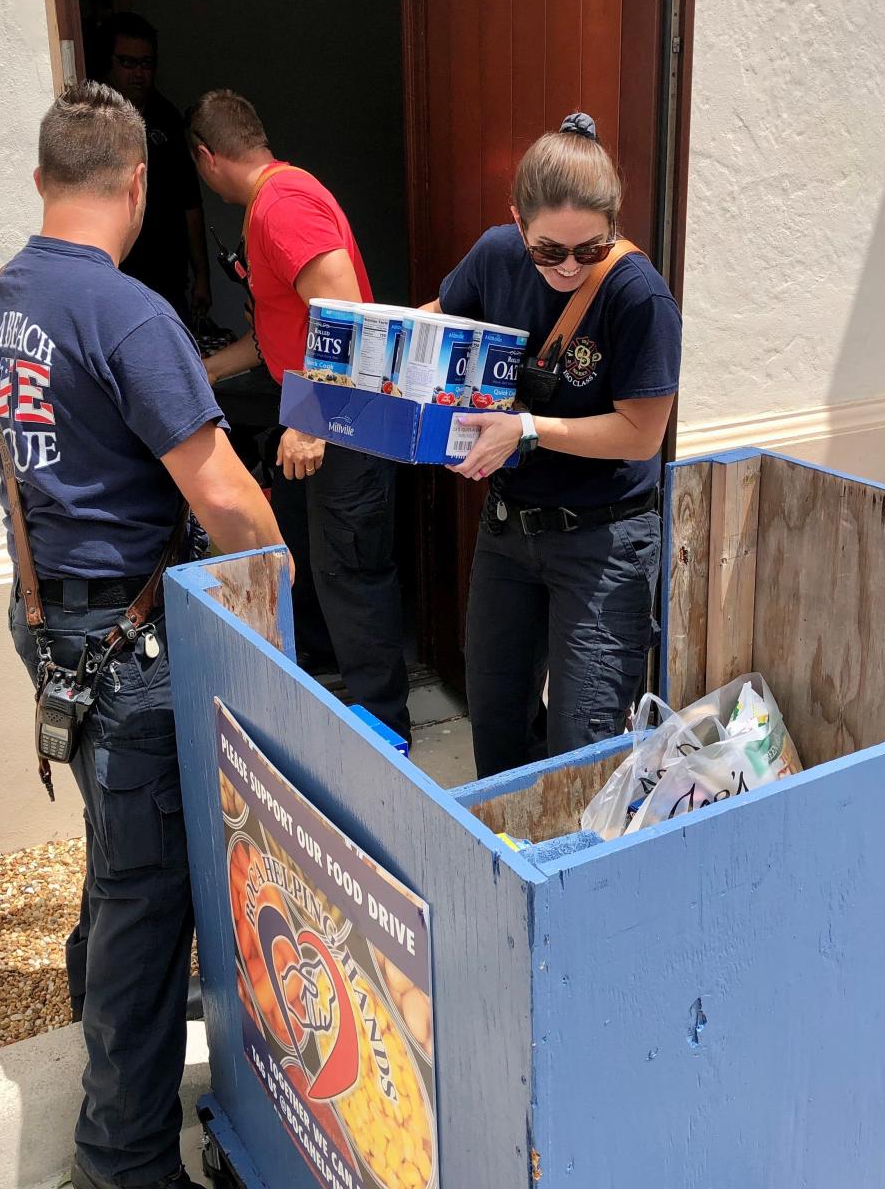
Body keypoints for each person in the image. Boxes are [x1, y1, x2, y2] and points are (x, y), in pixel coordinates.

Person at [0, 81, 286, 1189]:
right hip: (129, 644)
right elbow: (219, 492)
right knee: (157, 902)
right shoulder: (131, 316)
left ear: (44, 179)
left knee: (118, 843)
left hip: (48, 625)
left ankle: (97, 991)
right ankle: (124, 1151)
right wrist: (279, 582)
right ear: (139, 184)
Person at [432, 112, 682, 779]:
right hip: (509, 531)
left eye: (588, 250)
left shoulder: (638, 297)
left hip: (604, 542)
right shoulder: (493, 255)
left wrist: (531, 428)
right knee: (497, 722)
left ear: (614, 227)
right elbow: (440, 319)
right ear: (518, 223)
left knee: (584, 746)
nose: (569, 267)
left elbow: (642, 433)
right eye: (549, 251)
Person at [187, 89, 411, 740]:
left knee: (352, 572)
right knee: (305, 556)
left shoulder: (280, 207)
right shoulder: (275, 202)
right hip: (317, 414)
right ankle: (327, 687)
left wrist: (312, 419)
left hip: (344, 420)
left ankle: (383, 730)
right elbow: (280, 328)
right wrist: (203, 372)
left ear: (206, 157)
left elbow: (343, 306)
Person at [95, 12, 211, 324]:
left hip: (168, 279)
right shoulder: (93, 118)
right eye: (127, 62)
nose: (138, 73)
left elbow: (191, 203)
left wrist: (202, 275)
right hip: (114, 274)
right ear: (109, 62)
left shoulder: (168, 120)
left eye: (146, 63)